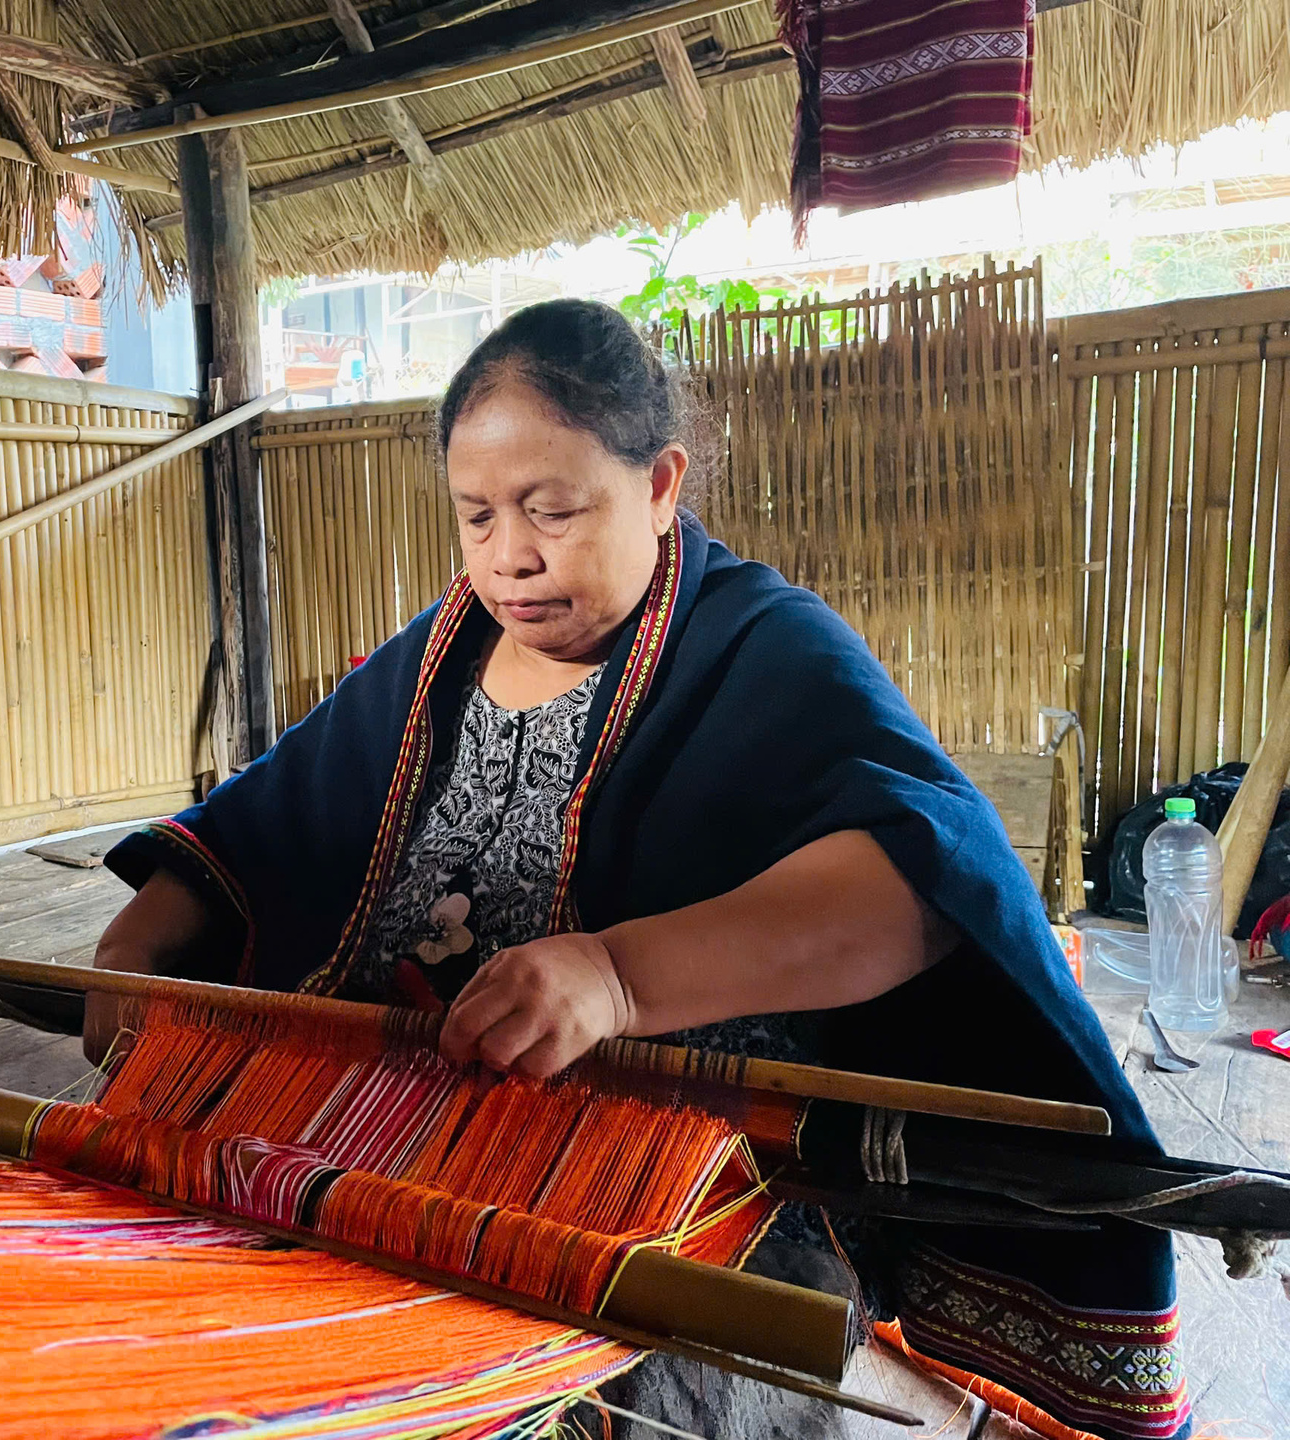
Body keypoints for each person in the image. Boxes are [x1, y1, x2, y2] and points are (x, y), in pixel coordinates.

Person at [92, 300, 1185, 1440]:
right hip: (372, 1154)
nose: (510, 553)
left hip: (669, 1192)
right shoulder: (439, 655)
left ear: (660, 486)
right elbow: (275, 814)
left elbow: (920, 881)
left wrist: (620, 977)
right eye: (477, 517)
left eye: (551, 510)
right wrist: (142, 946)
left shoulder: (762, 646)